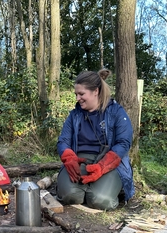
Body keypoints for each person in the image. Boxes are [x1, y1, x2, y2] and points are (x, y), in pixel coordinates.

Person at [56, 69, 135, 210]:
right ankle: (83, 188)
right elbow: (63, 141)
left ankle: (113, 188)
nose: (77, 98)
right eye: (76, 94)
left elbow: (123, 143)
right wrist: (68, 157)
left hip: (109, 162)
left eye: (81, 94)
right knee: (70, 196)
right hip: (81, 161)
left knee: (100, 201)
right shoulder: (74, 115)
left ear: (95, 91)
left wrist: (102, 166)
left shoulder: (116, 112)